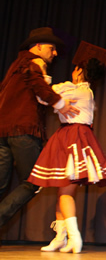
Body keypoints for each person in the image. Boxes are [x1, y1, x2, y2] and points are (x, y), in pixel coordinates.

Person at [27, 58, 106, 253]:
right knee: (63, 191)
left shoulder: (79, 91)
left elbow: (44, 96)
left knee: (66, 192)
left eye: (77, 69)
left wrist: (43, 75)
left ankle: (75, 238)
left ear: (80, 72)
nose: (73, 71)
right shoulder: (83, 91)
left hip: (73, 137)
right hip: (70, 136)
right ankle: (61, 237)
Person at [0, 27, 79, 229]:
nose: (55, 53)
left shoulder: (17, 65)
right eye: (51, 48)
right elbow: (38, 87)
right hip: (23, 129)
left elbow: (36, 93)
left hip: (3, 130)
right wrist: (60, 104)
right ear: (38, 46)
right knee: (34, 182)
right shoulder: (34, 62)